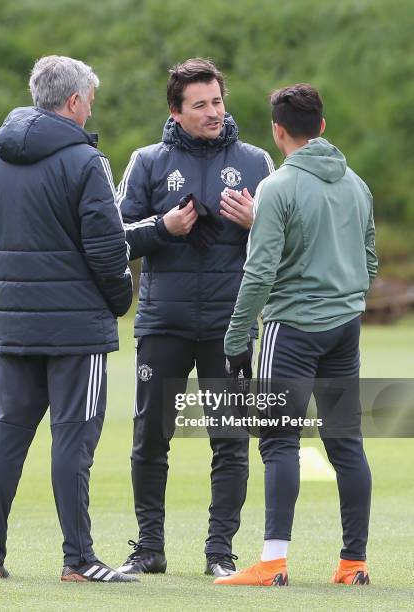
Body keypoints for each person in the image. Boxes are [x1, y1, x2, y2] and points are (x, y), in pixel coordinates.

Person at [0, 55, 136, 583]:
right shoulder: (85, 162)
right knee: (73, 442)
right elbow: (108, 250)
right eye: (91, 99)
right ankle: (78, 559)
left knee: (5, 438)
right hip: (78, 331)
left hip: (15, 327)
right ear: (75, 101)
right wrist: (115, 300)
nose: (91, 109)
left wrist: (19, 287)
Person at [116, 58, 275, 577]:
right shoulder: (146, 162)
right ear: (175, 111)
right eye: (200, 104)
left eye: (218, 101)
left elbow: (285, 242)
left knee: (229, 439)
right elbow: (113, 238)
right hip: (163, 320)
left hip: (231, 324)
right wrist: (163, 227)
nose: (213, 112)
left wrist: (258, 223)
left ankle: (219, 552)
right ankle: (149, 547)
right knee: (150, 437)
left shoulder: (256, 162)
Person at [216, 83, 377, 586]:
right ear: (322, 127)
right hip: (345, 329)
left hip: (291, 331)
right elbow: (369, 262)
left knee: (280, 441)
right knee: (346, 443)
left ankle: (273, 562)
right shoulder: (357, 185)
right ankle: (353, 564)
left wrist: (235, 338)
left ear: (277, 131)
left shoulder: (278, 187)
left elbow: (259, 274)